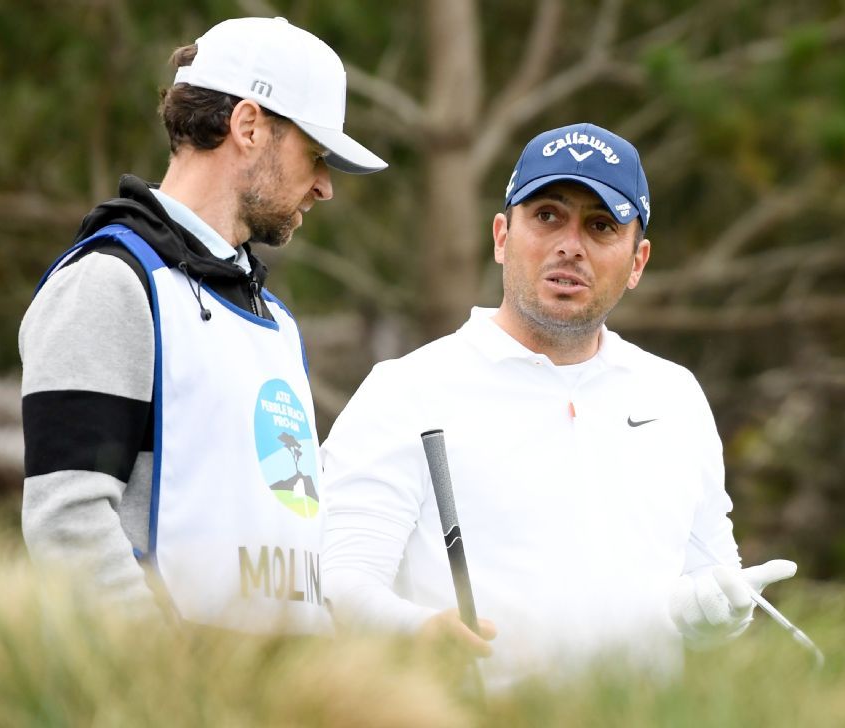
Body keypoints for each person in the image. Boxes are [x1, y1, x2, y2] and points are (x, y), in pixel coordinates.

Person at [320, 122, 795, 684]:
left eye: (601, 226)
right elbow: (339, 581)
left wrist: (715, 615)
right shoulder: (406, 389)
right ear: (501, 236)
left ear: (638, 261)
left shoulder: (674, 396)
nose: (570, 245)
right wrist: (417, 633)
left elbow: (714, 584)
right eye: (547, 215)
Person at [19, 17, 386, 634]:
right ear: (248, 127)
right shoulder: (110, 283)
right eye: (315, 154)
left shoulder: (276, 322)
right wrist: (175, 687)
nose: (324, 186)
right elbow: (68, 525)